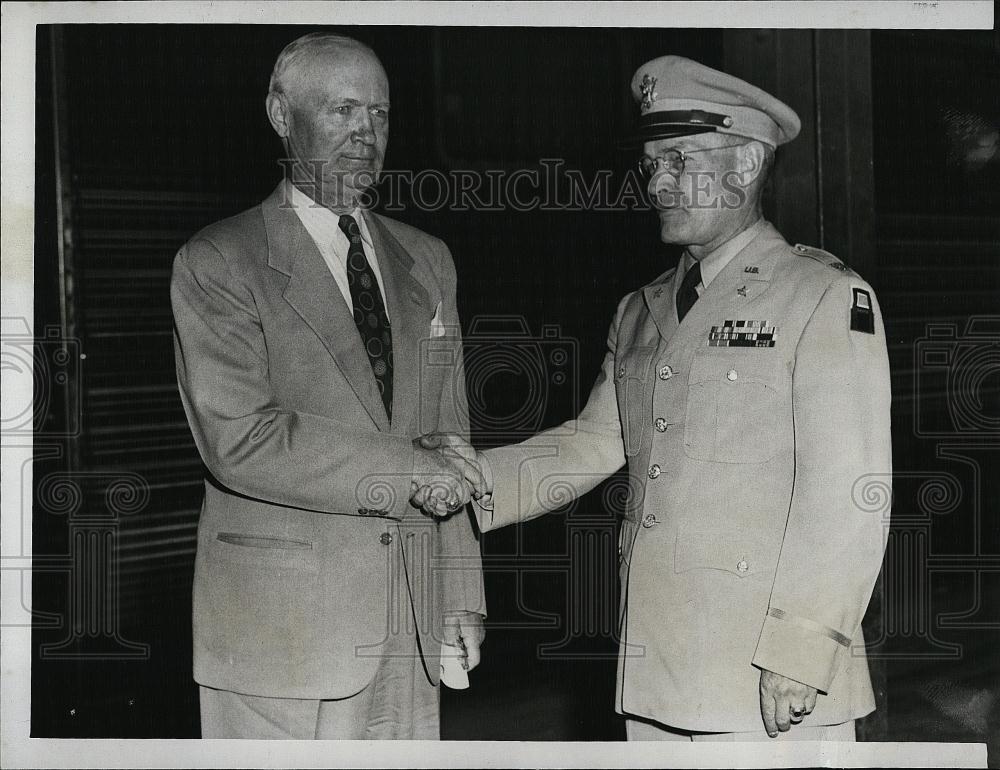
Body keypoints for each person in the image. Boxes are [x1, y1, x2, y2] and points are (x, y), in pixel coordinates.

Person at [426, 55, 891, 741]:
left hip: (770, 675)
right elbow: (593, 441)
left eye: (678, 159)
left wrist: (800, 650)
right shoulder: (641, 310)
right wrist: (471, 480)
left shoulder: (820, 297)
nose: (657, 183)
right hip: (657, 667)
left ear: (747, 164)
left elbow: (849, 489)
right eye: (651, 165)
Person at [170, 32, 485, 740]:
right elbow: (241, 440)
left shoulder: (426, 259)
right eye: (343, 111)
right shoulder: (221, 260)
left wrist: (461, 593)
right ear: (282, 116)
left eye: (379, 114)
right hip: (279, 637)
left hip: (408, 624)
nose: (365, 135)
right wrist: (415, 467)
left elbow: (451, 434)